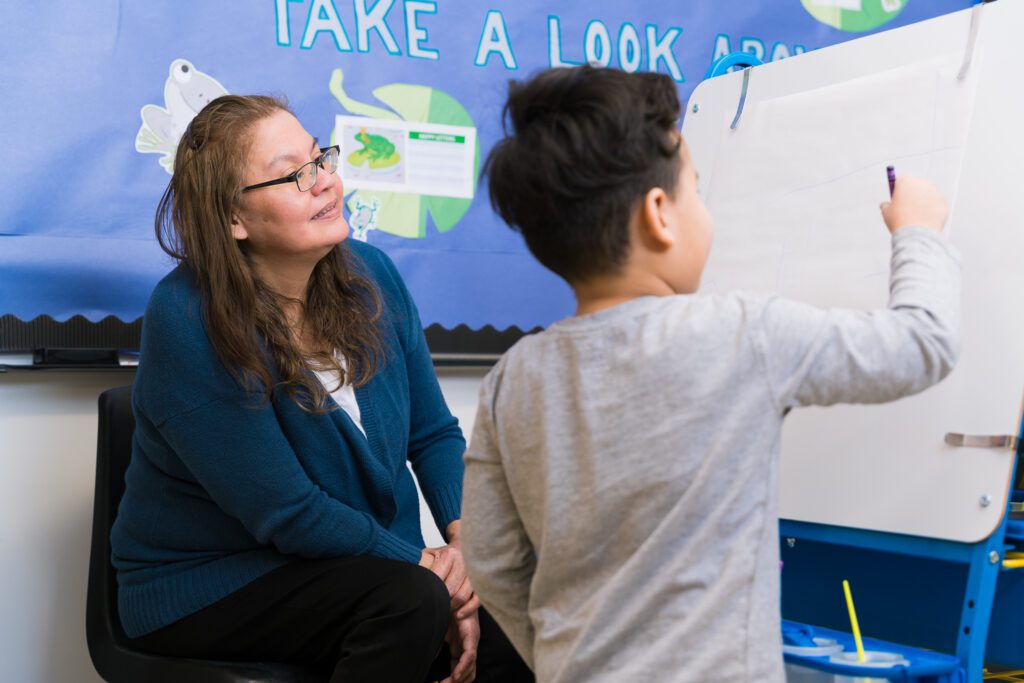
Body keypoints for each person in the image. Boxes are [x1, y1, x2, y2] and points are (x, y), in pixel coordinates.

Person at [460, 65, 959, 683]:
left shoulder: (514, 378)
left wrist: (565, 658)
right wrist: (918, 231)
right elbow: (922, 344)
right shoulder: (740, 333)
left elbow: (490, 559)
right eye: (697, 188)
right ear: (660, 214)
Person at [110, 94, 531, 683]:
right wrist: (426, 568)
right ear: (233, 218)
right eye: (296, 174)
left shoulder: (371, 275)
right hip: (210, 581)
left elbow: (433, 433)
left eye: (322, 159)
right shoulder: (187, 317)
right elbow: (287, 511)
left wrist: (468, 555)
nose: (326, 183)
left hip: (357, 569)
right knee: (412, 599)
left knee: (514, 605)